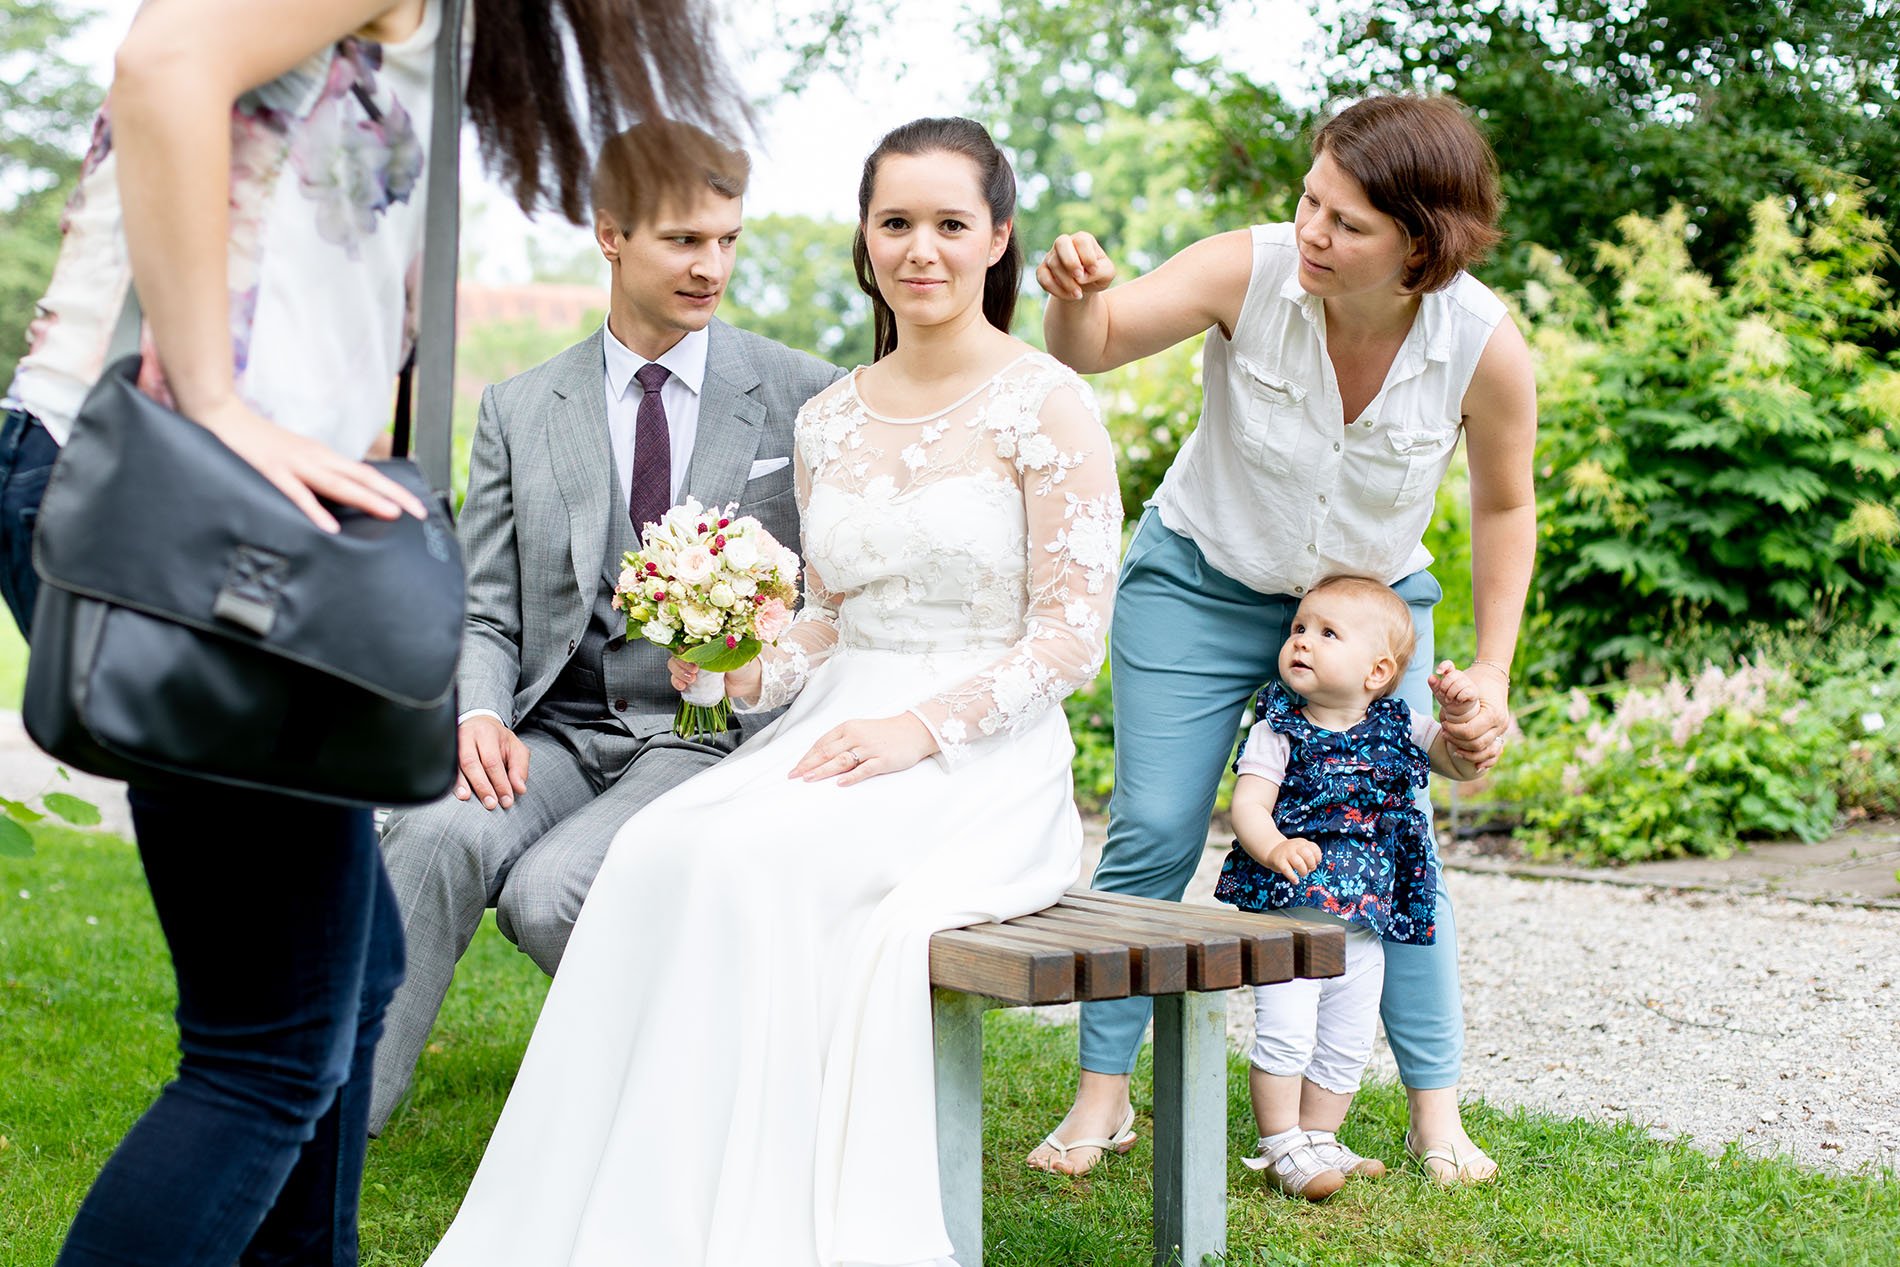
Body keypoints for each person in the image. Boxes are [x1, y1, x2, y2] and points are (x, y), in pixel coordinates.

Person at [0, 1, 750, 1261]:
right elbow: (165, 63)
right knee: (270, 1046)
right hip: (171, 498)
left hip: (233, 513)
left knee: (346, 991)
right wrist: (217, 398)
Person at [424, 115, 1121, 1266]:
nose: (922, 250)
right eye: (896, 223)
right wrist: (742, 669)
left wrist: (918, 729)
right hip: (833, 721)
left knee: (754, 862)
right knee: (663, 848)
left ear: (998, 236)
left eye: (951, 224)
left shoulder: (1045, 404)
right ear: (865, 236)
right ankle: (633, 1194)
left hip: (974, 755)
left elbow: (1067, 639)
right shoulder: (832, 413)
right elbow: (827, 619)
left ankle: (763, 1198)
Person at [1029, 94, 1537, 1183]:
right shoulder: (1246, 270)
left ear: (1421, 245)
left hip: (1366, 616)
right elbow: (1096, 346)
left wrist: (1489, 670)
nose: (1312, 231)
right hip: (1199, 583)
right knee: (1157, 828)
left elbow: (1504, 505)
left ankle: (1434, 1113)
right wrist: (1075, 300)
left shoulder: (1482, 347)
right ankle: (1102, 1097)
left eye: (1347, 224)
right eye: (1311, 200)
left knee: (1399, 846)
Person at [367, 121, 840, 1135]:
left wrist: (760, 653)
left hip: (712, 737)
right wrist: (479, 714)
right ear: (611, 234)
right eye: (682, 241)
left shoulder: (804, 394)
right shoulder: (520, 408)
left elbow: (838, 591)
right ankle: (327, 1134)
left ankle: (726, 1096)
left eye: (726, 239)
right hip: (559, 730)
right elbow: (487, 604)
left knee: (548, 896)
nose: (710, 266)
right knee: (434, 831)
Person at [1212, 575, 1485, 1200]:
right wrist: (1276, 846)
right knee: (1287, 1031)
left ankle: (1320, 1136)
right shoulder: (1279, 727)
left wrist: (1463, 714)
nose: (1301, 642)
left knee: (1346, 1039)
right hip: (1295, 919)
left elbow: (1460, 764)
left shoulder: (1400, 725)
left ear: (1376, 670)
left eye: (1326, 634)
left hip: (1365, 924)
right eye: (1299, 629)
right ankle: (1281, 1142)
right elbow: (1249, 805)